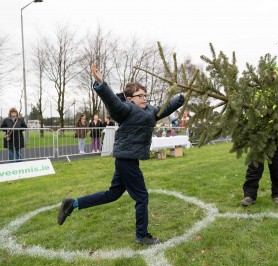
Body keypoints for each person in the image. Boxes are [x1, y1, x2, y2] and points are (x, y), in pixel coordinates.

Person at [58, 63, 184, 245]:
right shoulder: (125, 109)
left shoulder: (150, 111)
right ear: (131, 98)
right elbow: (112, 101)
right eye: (141, 96)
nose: (145, 98)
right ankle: (142, 235)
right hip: (127, 160)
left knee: (113, 194)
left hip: (127, 159)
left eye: (146, 95)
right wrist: (101, 83)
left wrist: (182, 97)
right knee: (142, 196)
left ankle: (73, 204)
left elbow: (167, 107)